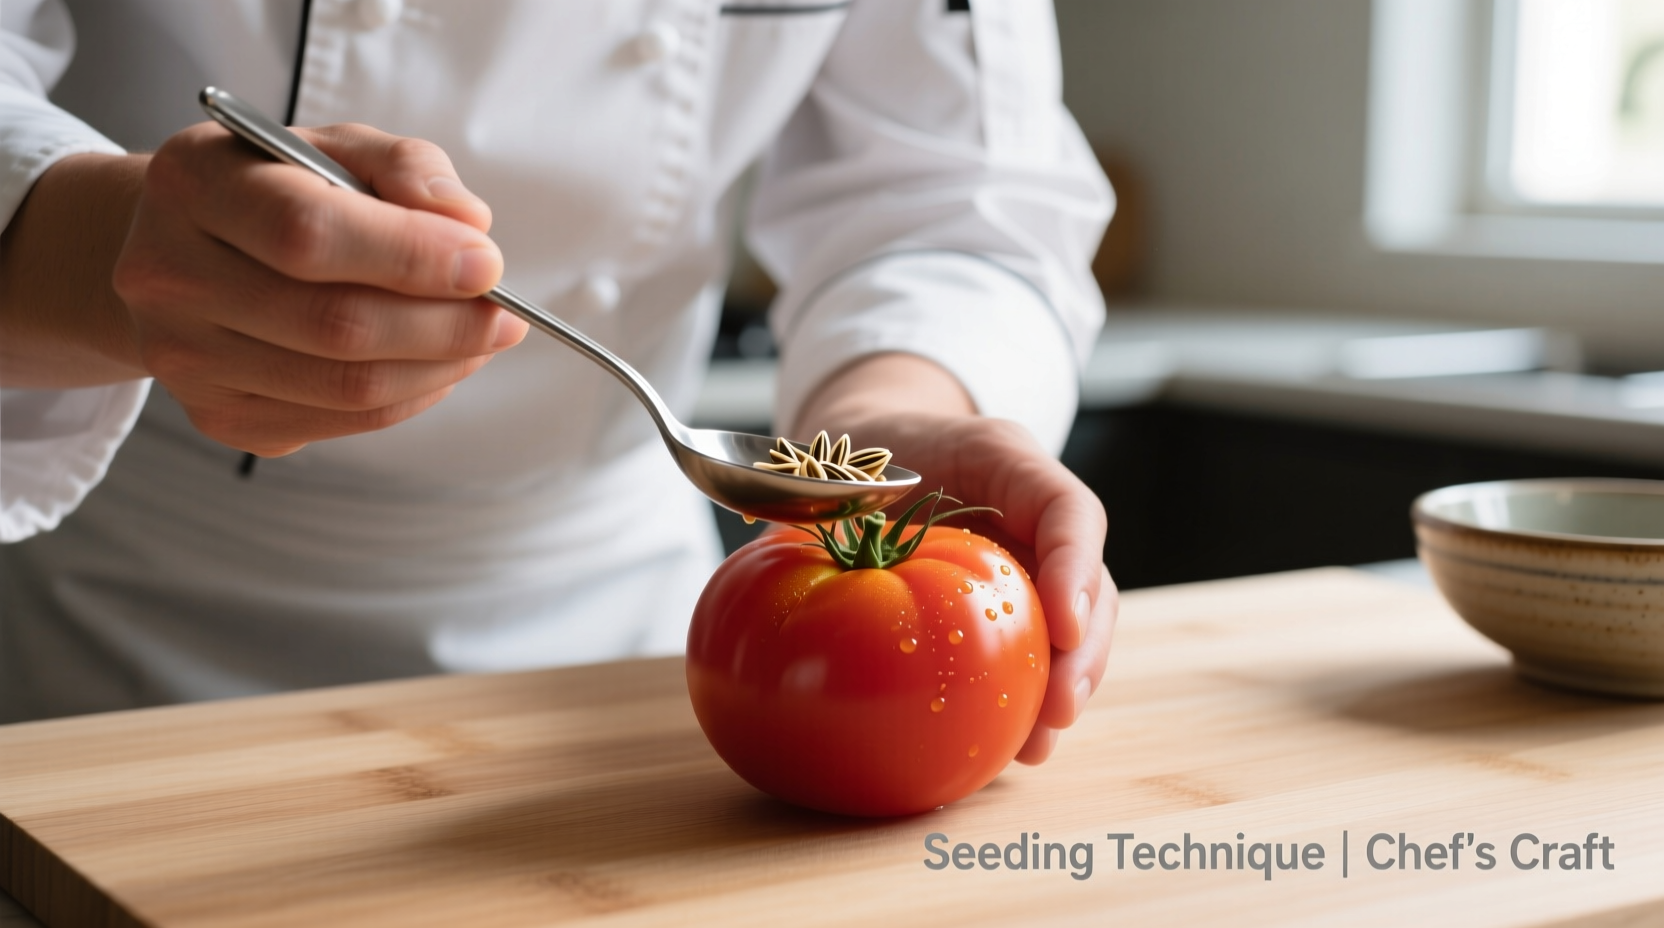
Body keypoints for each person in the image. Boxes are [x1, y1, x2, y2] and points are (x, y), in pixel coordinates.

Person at [0, 0, 1116, 763]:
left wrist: (898, 410)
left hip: (625, 645)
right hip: (114, 630)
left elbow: (954, 195)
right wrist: (103, 251)